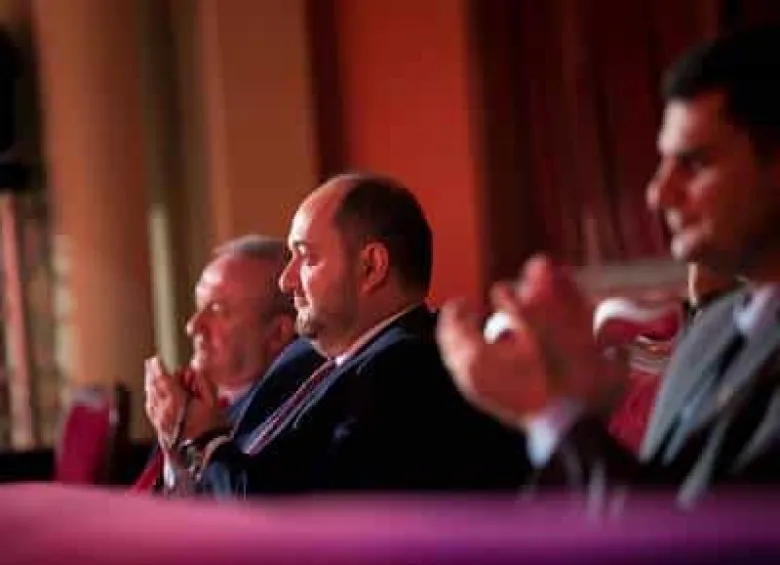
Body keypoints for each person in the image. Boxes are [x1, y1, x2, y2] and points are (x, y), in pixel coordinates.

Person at [437, 25, 780, 508]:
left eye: (695, 163)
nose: (658, 194)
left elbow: (700, 541)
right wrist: (582, 405)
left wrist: (550, 413)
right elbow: (651, 507)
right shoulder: (711, 330)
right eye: (663, 162)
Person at [152, 172, 529, 498]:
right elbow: (226, 464)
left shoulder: (408, 369)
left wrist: (203, 439)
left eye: (306, 257)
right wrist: (180, 443)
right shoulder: (300, 355)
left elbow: (280, 518)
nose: (286, 281)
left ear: (371, 267)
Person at [136, 235, 322, 493]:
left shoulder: (287, 417)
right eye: (199, 307)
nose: (193, 326)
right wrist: (173, 448)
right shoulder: (186, 401)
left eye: (217, 311)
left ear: (277, 333)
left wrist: (196, 438)